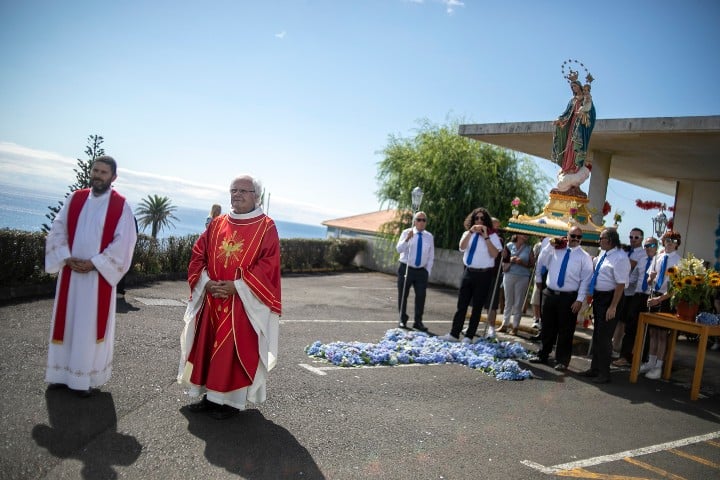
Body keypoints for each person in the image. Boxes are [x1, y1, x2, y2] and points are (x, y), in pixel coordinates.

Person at [178, 174, 281, 419]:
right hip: (212, 298)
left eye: (244, 191)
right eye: (233, 190)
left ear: (256, 196)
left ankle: (230, 404)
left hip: (243, 304)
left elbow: (269, 265)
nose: (237, 194)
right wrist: (206, 282)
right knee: (208, 349)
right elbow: (198, 254)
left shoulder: (266, 226)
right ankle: (209, 397)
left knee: (233, 353)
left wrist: (238, 286)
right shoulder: (217, 224)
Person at [44, 156, 138, 397]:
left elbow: (125, 242)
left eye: (104, 172)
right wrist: (65, 256)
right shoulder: (75, 198)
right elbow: (57, 228)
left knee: (87, 327)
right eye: (95, 170)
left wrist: (95, 263)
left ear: (113, 178)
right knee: (66, 324)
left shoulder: (121, 206)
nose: (98, 175)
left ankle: (83, 380)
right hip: (70, 275)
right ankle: (60, 375)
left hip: (97, 281)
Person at [530, 227, 593, 370]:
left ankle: (562, 361)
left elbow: (585, 280)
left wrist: (579, 299)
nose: (575, 239)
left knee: (566, 330)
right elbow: (542, 261)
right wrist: (550, 246)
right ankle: (543, 354)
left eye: (579, 236)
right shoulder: (555, 249)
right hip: (551, 293)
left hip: (569, 297)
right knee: (547, 327)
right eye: (573, 235)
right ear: (567, 235)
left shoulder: (584, 256)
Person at [439, 208, 502, 343]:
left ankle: (469, 336)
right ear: (472, 220)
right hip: (468, 272)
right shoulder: (468, 233)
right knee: (462, 305)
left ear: (486, 221)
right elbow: (462, 247)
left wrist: (486, 237)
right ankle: (454, 334)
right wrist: (470, 232)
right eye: (476, 218)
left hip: (484, 274)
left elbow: (495, 254)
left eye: (482, 219)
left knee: (477, 307)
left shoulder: (493, 236)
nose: (479, 221)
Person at [579, 229, 631, 384]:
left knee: (605, 337)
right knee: (598, 335)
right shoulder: (604, 254)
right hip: (600, 297)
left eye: (600, 238)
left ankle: (604, 373)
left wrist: (613, 307)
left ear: (609, 240)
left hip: (611, 298)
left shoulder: (620, 258)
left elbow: (621, 284)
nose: (598, 241)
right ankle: (595, 368)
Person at [638, 231, 682, 380]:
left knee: (662, 334)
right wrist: (650, 279)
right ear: (663, 241)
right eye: (667, 239)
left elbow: (676, 287)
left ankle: (658, 366)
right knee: (652, 332)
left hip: (666, 299)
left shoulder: (679, 261)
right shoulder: (658, 257)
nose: (670, 242)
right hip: (654, 295)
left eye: (673, 240)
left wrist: (660, 299)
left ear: (677, 243)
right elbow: (651, 281)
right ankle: (650, 362)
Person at [613, 236, 658, 367]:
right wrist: (619, 285)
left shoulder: (659, 260)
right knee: (630, 327)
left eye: (652, 245)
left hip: (651, 296)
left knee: (648, 330)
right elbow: (632, 278)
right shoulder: (642, 260)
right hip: (637, 296)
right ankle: (625, 357)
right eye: (646, 246)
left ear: (657, 247)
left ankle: (643, 359)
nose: (648, 248)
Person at [551, 76, 596, 194]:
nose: (574, 88)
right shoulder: (572, 100)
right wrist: (559, 120)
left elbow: (590, 112)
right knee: (568, 147)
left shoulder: (586, 98)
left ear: (580, 86)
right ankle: (567, 168)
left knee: (576, 147)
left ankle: (575, 168)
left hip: (579, 128)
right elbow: (566, 114)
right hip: (571, 127)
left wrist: (583, 114)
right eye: (572, 87)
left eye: (575, 86)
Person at [396, 211, 434, 332]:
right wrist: (407, 239)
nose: (421, 222)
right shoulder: (406, 232)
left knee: (421, 297)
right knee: (403, 296)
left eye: (424, 220)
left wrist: (427, 271)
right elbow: (398, 249)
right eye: (419, 219)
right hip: (406, 268)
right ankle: (402, 319)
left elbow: (431, 256)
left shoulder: (429, 236)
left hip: (421, 271)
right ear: (414, 221)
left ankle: (418, 322)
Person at [611, 228, 646, 357]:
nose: (633, 240)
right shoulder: (626, 251)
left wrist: (618, 257)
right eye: (631, 237)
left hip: (631, 291)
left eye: (636, 237)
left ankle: (617, 347)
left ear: (641, 238)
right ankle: (614, 345)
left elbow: (629, 265)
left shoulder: (641, 253)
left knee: (625, 321)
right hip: (620, 288)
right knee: (618, 319)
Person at [499, 233, 533, 336]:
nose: (526, 235)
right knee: (508, 301)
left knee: (518, 303)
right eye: (524, 234)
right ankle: (504, 325)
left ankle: (515, 327)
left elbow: (532, 264)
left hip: (523, 277)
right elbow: (502, 259)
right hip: (509, 274)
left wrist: (522, 263)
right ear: (518, 234)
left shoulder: (529, 248)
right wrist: (511, 260)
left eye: (527, 234)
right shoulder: (509, 245)